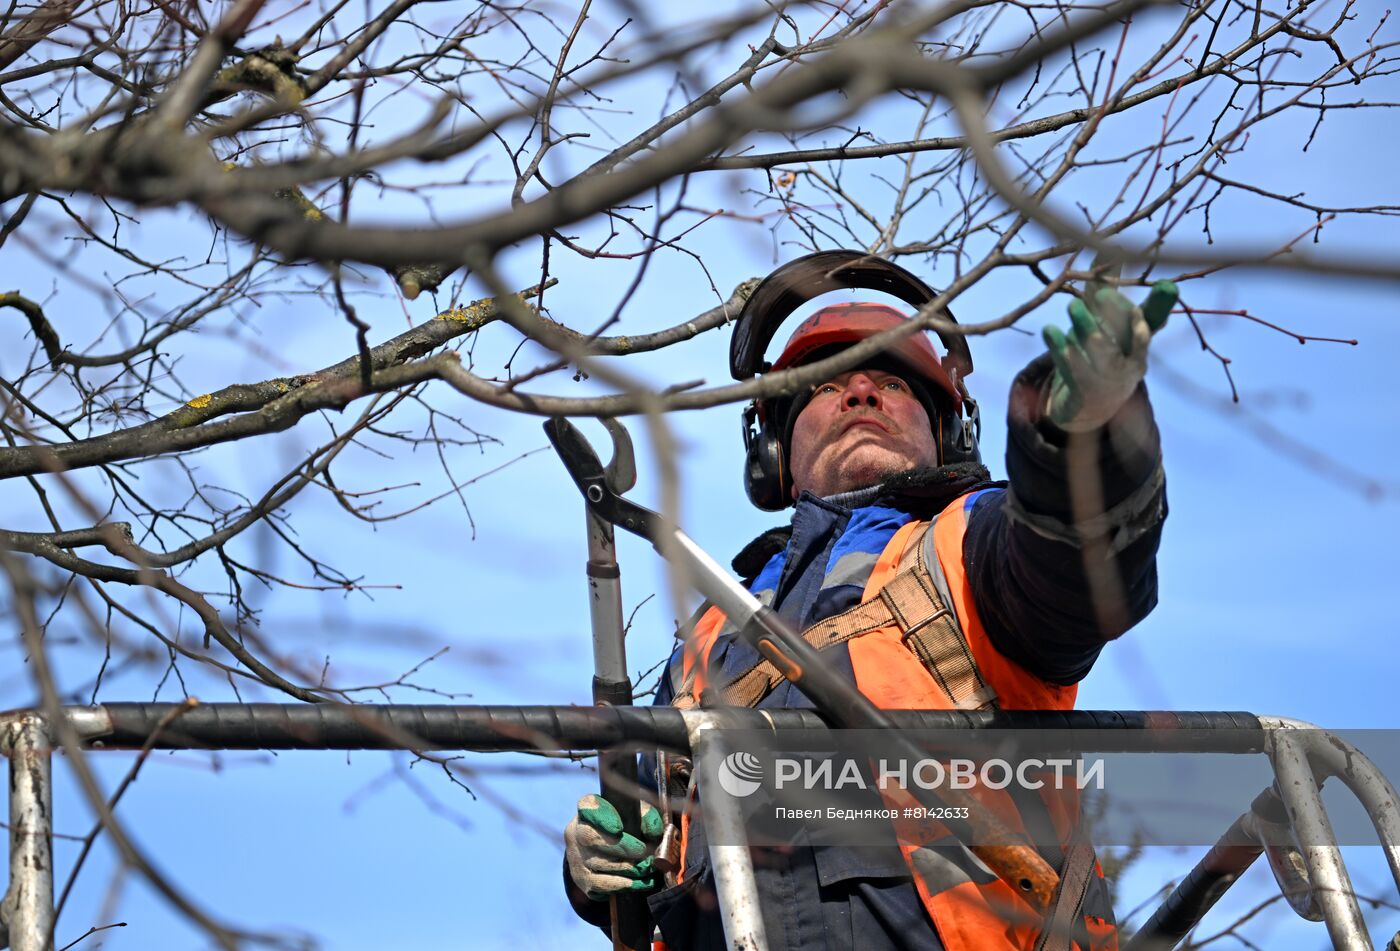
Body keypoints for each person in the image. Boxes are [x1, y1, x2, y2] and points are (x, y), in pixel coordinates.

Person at [563, 257, 1178, 951]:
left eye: (892, 382)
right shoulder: (708, 631)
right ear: (773, 447)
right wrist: (591, 866)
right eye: (826, 384)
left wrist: (1082, 446)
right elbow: (645, 831)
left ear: (949, 432)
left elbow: (1075, 562)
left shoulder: (969, 545)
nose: (860, 393)